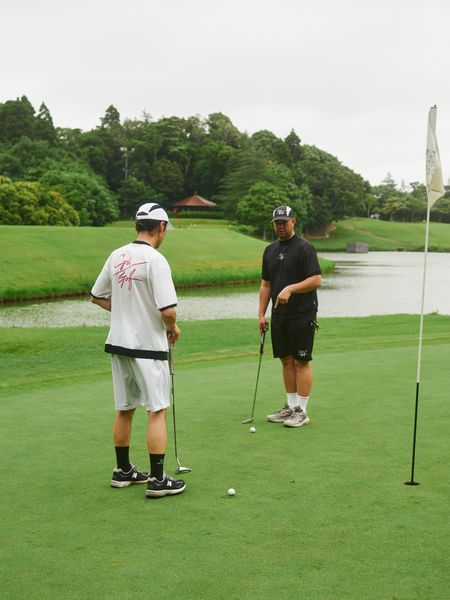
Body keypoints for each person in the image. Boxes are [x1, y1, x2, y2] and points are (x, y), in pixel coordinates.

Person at [90, 202, 186, 498]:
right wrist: (173, 327)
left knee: (125, 408)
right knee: (157, 410)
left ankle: (123, 471)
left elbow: (97, 296)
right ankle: (157, 479)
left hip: (118, 344)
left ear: (137, 225)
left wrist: (126, 313)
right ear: (161, 227)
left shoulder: (116, 254)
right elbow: (168, 311)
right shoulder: (156, 260)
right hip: (148, 348)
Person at [259, 206, 322, 428]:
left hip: (302, 313)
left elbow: (316, 280)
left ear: (293, 222)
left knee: (301, 361)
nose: (280, 226)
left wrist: (290, 288)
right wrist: (261, 314)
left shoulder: (305, 248)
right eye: (277, 223)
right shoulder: (269, 250)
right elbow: (266, 284)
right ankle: (291, 406)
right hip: (279, 315)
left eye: (284, 222)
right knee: (286, 360)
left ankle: (302, 411)